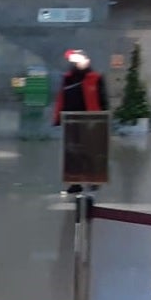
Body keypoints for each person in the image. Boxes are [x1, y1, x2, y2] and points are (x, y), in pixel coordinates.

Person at [53, 50, 109, 194]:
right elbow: (62, 98)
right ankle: (75, 182)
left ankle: (93, 179)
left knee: (92, 150)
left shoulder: (95, 78)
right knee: (72, 152)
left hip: (91, 119)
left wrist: (103, 117)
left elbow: (102, 99)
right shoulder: (68, 78)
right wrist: (58, 117)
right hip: (71, 119)